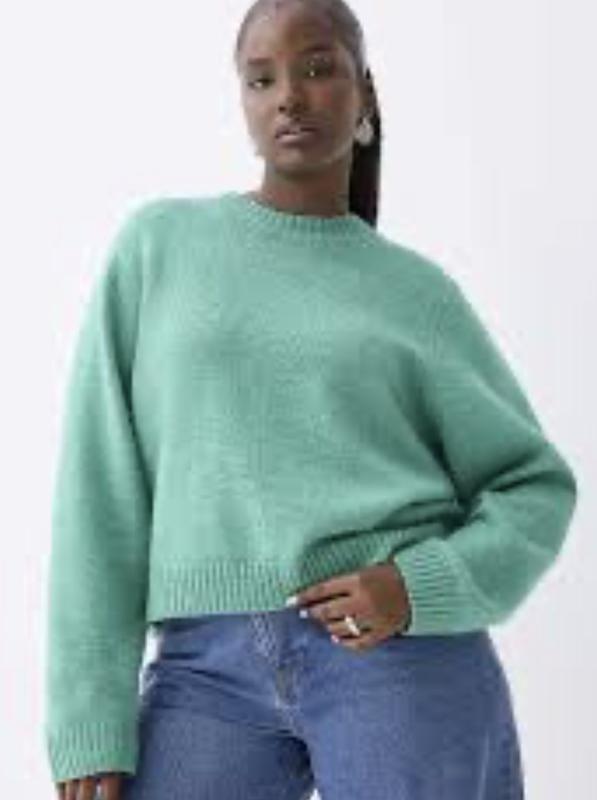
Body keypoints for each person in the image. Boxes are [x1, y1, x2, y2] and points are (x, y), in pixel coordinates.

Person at [45, 1, 578, 798]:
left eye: (318, 68)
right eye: (261, 79)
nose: (289, 95)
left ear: (365, 96)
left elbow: (532, 487)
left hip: (394, 654)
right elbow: (100, 494)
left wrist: (414, 588)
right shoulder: (160, 248)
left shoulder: (414, 294)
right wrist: (87, 718)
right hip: (201, 672)